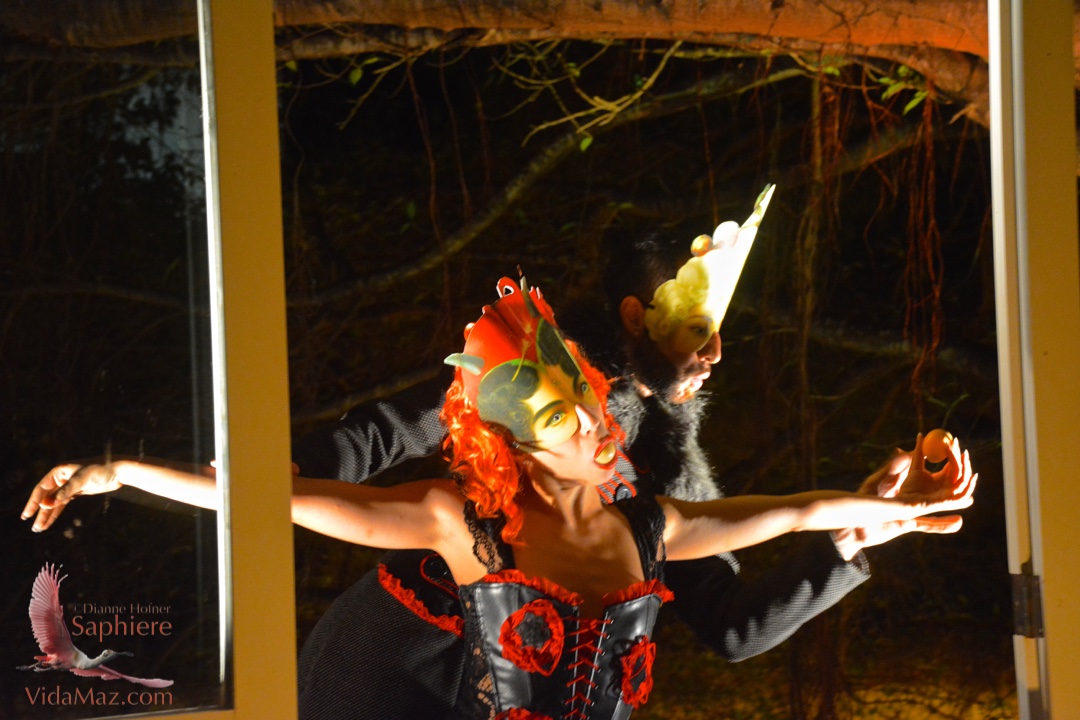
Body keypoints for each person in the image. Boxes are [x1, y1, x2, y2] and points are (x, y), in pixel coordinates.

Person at [21, 276, 978, 719]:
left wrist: (877, 517)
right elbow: (303, 488)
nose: (709, 356)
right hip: (389, 675)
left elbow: (782, 525)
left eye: (593, 410)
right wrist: (123, 472)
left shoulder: (656, 505)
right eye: (693, 334)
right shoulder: (471, 496)